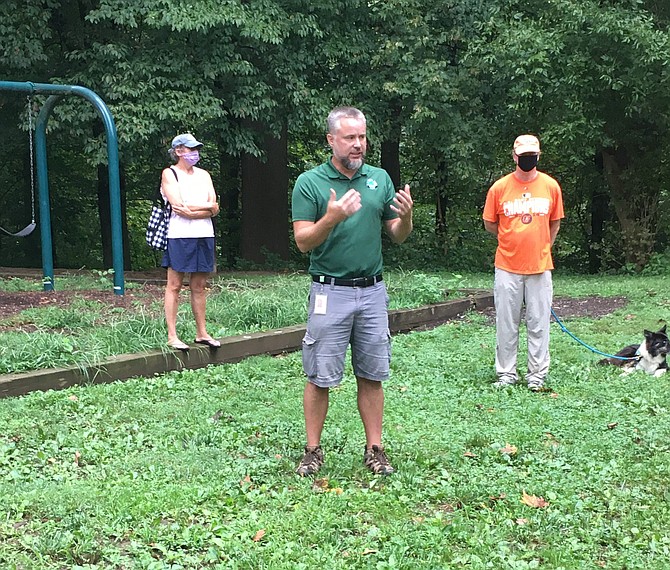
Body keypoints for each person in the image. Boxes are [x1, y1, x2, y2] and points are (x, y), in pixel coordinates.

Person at [291, 106, 414, 476]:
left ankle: (375, 449)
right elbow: (302, 242)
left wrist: (406, 218)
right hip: (331, 292)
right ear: (331, 140)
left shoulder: (379, 179)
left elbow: (397, 235)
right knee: (320, 375)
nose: (358, 145)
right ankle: (312, 451)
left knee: (372, 373)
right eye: (350, 138)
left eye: (362, 137)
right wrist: (331, 217)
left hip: (373, 292)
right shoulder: (310, 183)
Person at [483, 134, 565, 391]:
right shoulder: (500, 188)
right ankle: (506, 373)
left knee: (539, 322)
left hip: (540, 266)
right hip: (507, 266)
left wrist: (542, 246)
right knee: (506, 323)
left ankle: (536, 375)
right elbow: (490, 223)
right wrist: (510, 240)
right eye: (523, 156)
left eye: (532, 155)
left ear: (538, 156)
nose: (528, 159)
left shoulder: (551, 186)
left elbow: (555, 221)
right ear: (514, 156)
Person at [161, 133, 221, 352]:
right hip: (179, 236)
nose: (195, 153)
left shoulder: (204, 175)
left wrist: (194, 209)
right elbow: (178, 206)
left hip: (204, 234)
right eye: (190, 149)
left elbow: (214, 206)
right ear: (178, 151)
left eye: (197, 148)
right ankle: (172, 335)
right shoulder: (170, 174)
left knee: (199, 286)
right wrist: (204, 209)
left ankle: (202, 333)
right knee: (174, 285)